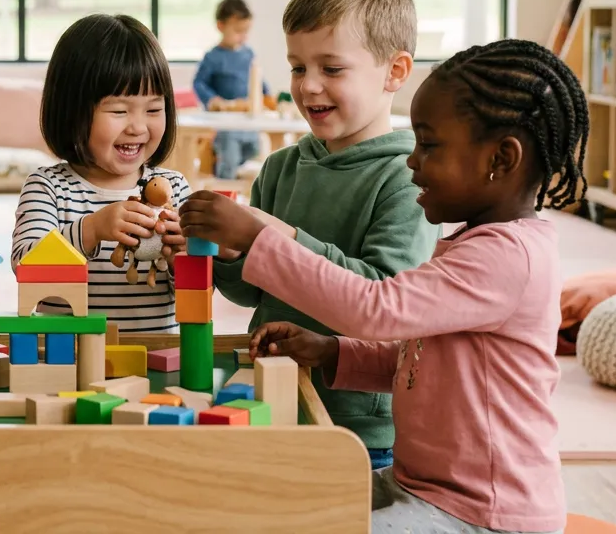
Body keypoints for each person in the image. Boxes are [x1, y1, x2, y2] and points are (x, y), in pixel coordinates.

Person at [182, 38, 584, 534]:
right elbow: (425, 361)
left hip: (483, 513)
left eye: (430, 146)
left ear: (500, 159)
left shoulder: (508, 257)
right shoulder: (475, 243)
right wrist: (333, 352)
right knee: (285, 507)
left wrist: (259, 237)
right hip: (420, 485)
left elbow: (376, 309)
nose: (413, 162)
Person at [208, 0, 439, 470]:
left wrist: (271, 235)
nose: (307, 86)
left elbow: (384, 298)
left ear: (394, 72)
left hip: (357, 425)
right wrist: (226, 253)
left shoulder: (408, 178)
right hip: (272, 399)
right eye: (297, 67)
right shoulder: (280, 168)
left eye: (331, 69)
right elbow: (251, 291)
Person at [11, 14, 189, 332]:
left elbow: (198, 296)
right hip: (68, 361)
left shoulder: (174, 188)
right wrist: (92, 230)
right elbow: (27, 270)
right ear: (73, 112)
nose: (137, 127)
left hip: (155, 363)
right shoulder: (48, 187)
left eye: (153, 109)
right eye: (119, 111)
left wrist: (183, 258)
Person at [191, 0, 271, 179]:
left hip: (248, 120)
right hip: (226, 123)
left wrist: (267, 95)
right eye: (238, 30)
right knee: (230, 157)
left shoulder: (248, 53)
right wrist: (212, 100)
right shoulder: (213, 57)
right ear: (221, 26)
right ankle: (223, 187)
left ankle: (231, 172)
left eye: (246, 31)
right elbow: (199, 83)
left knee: (254, 149)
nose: (243, 36)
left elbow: (258, 79)